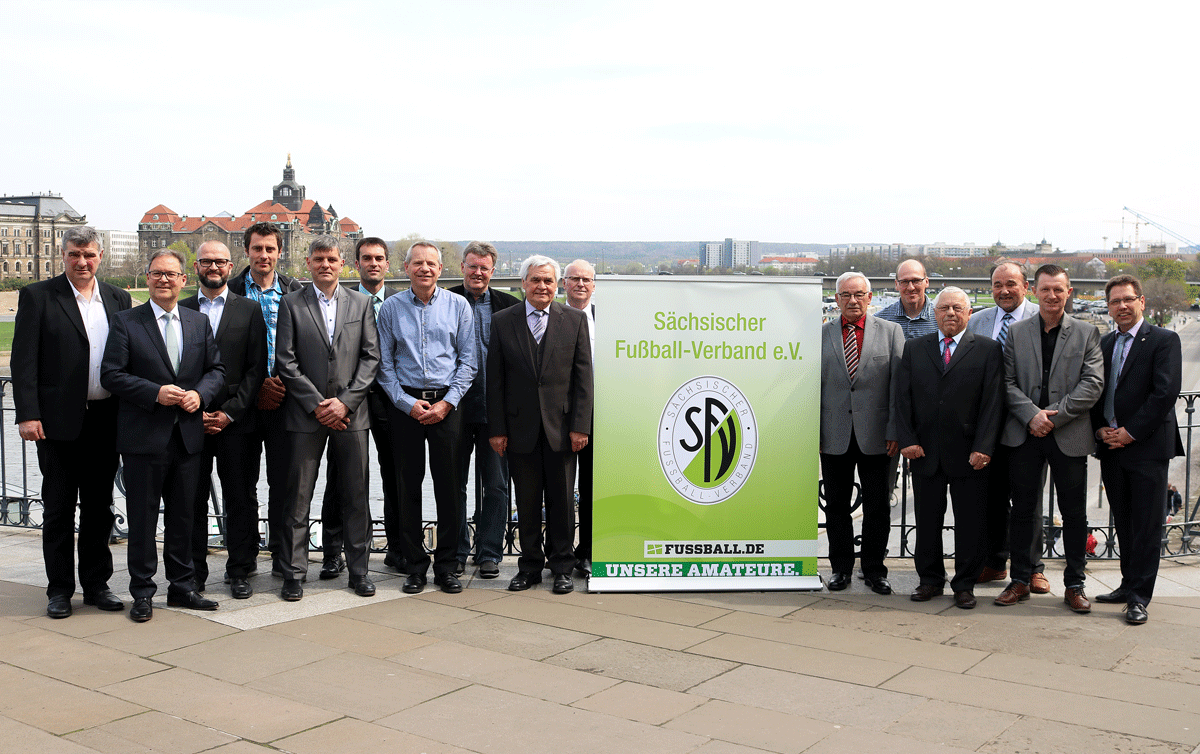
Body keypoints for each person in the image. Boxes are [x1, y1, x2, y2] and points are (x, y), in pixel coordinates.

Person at [12, 226, 132, 619]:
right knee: (59, 509)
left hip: (105, 419)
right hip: (56, 422)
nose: (82, 262)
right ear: (63, 255)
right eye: (75, 254)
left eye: (89, 254)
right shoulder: (38, 296)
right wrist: (28, 414)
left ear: (100, 257)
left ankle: (97, 586)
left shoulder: (117, 298)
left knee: (99, 508)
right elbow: (24, 360)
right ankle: (60, 590)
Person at [101, 248, 225, 622]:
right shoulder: (126, 322)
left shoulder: (198, 322)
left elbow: (217, 370)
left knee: (184, 517)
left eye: (171, 274)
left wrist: (200, 394)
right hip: (143, 437)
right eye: (157, 273)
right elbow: (111, 374)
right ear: (148, 278)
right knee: (141, 520)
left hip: (187, 437)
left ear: (184, 279)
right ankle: (142, 593)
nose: (164, 280)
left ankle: (182, 588)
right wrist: (154, 392)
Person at [273, 237, 380, 601]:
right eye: (319, 259)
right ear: (308, 263)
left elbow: (371, 358)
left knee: (356, 495)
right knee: (298, 497)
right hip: (306, 415)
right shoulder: (291, 303)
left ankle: (359, 571)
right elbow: (285, 360)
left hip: (351, 416)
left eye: (332, 259)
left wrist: (345, 403)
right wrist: (318, 404)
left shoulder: (361, 303)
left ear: (342, 263)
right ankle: (294, 573)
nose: (325, 265)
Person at [996, 264, 1103, 613]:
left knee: (1074, 514)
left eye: (1059, 289)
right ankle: (1020, 580)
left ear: (1068, 292)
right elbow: (1006, 383)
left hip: (1068, 433)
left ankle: (1075, 584)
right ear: (1034, 291)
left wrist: (1052, 417)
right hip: (1024, 434)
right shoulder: (1016, 332)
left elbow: (1093, 384)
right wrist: (1032, 415)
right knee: (1023, 511)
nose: (1052, 296)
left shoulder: (1087, 332)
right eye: (1046, 289)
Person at [488, 255, 593, 595]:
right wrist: (497, 429)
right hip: (519, 429)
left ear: (557, 284)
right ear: (523, 283)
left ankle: (562, 567)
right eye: (535, 280)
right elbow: (495, 380)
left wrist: (580, 426)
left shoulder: (574, 320)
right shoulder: (503, 321)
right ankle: (530, 566)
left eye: (548, 280)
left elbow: (583, 379)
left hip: (562, 430)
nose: (542, 286)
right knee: (528, 502)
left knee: (562, 503)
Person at [377, 241, 477, 595]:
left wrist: (447, 403)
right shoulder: (391, 308)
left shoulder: (458, 306)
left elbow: (469, 361)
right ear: (406, 268)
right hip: (405, 407)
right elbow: (384, 365)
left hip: (447, 406)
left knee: (449, 489)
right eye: (417, 263)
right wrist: (406, 403)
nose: (425, 268)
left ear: (440, 267)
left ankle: (447, 566)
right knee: (407, 488)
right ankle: (414, 565)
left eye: (431, 263)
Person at [896, 287, 1003, 609]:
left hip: (970, 454)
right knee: (927, 521)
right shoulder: (915, 348)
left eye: (958, 308)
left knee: (970, 523)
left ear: (969, 313)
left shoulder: (987, 349)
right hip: (925, 452)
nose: (951, 313)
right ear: (935, 313)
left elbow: (993, 402)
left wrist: (984, 446)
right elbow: (902, 399)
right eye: (944, 308)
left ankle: (965, 584)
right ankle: (929, 580)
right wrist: (907, 440)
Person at [1090, 274, 1183, 624]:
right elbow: (1095, 390)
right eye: (1115, 301)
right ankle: (1128, 585)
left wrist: (1130, 432)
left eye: (1128, 299)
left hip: (1146, 447)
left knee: (1146, 526)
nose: (1122, 306)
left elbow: (1165, 393)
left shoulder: (1163, 340)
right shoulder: (1103, 343)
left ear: (1141, 301)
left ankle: (1140, 597)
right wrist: (1099, 426)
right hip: (1111, 447)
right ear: (1108, 307)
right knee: (1125, 523)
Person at [179, 241, 267, 599]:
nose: (213, 267)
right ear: (195, 267)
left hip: (238, 422)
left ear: (231, 267)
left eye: (220, 262)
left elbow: (256, 369)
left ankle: (240, 569)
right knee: (191, 499)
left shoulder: (249, 310)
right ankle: (194, 573)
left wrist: (230, 412)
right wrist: (194, 408)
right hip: (191, 420)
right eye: (206, 262)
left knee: (241, 497)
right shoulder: (181, 308)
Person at [317, 237, 402, 580]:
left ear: (387, 264)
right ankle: (332, 552)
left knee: (395, 474)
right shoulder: (344, 300)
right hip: (350, 401)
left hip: (392, 400)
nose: (373, 263)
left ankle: (398, 549)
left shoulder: (401, 302)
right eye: (366, 258)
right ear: (356, 264)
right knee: (340, 478)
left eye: (379, 258)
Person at [966, 260, 1050, 594]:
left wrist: (1034, 415)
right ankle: (995, 562)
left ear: (1026, 286)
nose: (1004, 291)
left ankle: (1032, 569)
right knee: (992, 499)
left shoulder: (1042, 319)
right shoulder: (977, 321)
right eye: (998, 285)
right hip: (987, 427)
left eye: (1011, 284)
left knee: (1029, 501)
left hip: (1028, 425)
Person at [226, 222, 304, 578]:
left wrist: (284, 384)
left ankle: (282, 557)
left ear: (279, 252)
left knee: (285, 486)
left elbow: (306, 347)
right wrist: (253, 388)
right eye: (257, 248)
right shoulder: (229, 291)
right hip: (241, 405)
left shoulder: (295, 291)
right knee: (240, 488)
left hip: (285, 402)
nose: (263, 255)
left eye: (270, 249)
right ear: (247, 251)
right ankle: (241, 565)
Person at [819, 271, 905, 595]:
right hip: (834, 435)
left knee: (877, 507)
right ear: (837, 299)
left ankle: (874, 570)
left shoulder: (891, 332)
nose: (852, 300)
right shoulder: (821, 334)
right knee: (836, 507)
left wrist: (895, 429)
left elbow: (899, 387)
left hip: (879, 437)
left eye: (859, 294)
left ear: (870, 298)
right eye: (846, 295)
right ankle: (840, 569)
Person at [449, 241, 520, 579]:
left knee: (496, 485)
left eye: (484, 267)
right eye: (472, 266)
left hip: (496, 412)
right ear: (462, 267)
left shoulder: (510, 306)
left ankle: (489, 551)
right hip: (454, 409)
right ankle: (457, 550)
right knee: (454, 484)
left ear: (493, 271)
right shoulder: (445, 300)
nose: (478, 272)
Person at [563, 258, 596, 577]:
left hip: (600, 416)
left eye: (586, 279)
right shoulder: (553, 317)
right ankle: (559, 553)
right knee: (559, 488)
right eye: (574, 278)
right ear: (564, 284)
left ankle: (587, 552)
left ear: (594, 285)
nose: (581, 284)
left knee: (590, 488)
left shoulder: (609, 320)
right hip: (559, 416)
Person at [876, 259, 937, 340]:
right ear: (896, 285)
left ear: (926, 282)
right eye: (904, 282)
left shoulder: (941, 319)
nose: (911, 288)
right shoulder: (880, 321)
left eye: (916, 281)